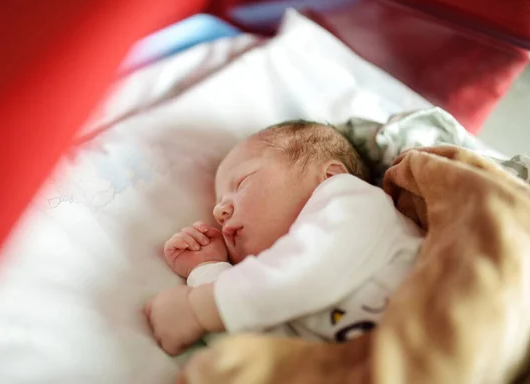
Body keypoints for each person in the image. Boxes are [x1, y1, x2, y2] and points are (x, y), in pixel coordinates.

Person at [144, 120, 423, 355]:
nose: (219, 211)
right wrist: (206, 269)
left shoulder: (355, 203)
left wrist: (198, 307)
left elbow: (307, 274)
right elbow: (259, 349)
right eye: (219, 203)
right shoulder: (279, 291)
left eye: (241, 183)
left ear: (329, 176)